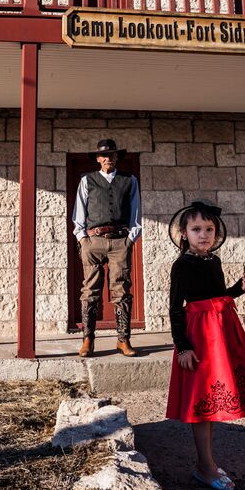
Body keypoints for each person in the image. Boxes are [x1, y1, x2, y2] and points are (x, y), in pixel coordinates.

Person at [164, 200, 245, 490]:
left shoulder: (213, 260)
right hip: (199, 337)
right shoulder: (182, 265)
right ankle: (205, 467)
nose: (204, 234)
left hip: (221, 333)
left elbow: (217, 295)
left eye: (209, 229)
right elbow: (175, 308)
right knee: (201, 404)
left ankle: (206, 463)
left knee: (213, 401)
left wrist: (238, 289)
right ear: (184, 233)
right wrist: (183, 347)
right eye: (196, 229)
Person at [72, 139, 142, 358]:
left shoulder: (129, 180)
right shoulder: (87, 180)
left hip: (120, 241)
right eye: (103, 156)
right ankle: (88, 339)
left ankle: (123, 339)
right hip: (93, 241)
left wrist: (130, 239)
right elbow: (79, 212)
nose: (107, 159)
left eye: (111, 155)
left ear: (117, 157)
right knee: (90, 290)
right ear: (97, 159)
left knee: (122, 290)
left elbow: (136, 213)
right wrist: (82, 239)